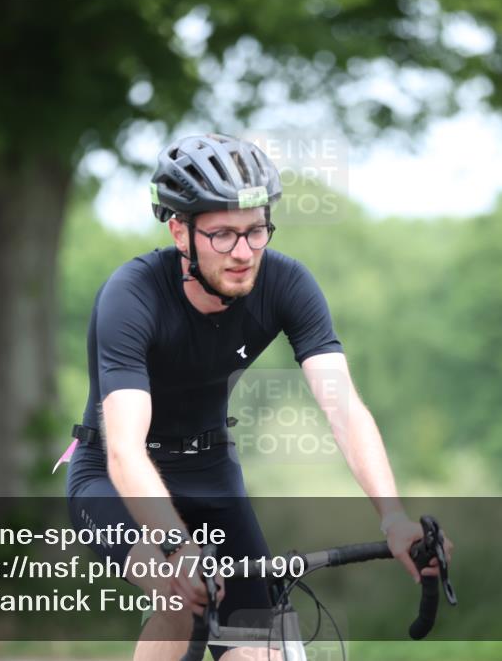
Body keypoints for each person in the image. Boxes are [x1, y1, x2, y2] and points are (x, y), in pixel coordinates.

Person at [61, 133, 452, 660]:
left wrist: (394, 517)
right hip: (112, 480)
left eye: (255, 231)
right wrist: (178, 547)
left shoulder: (288, 283)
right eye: (222, 235)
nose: (244, 252)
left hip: (212, 473)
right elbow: (125, 450)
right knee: (181, 598)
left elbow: (343, 408)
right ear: (180, 230)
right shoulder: (132, 296)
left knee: (259, 650)